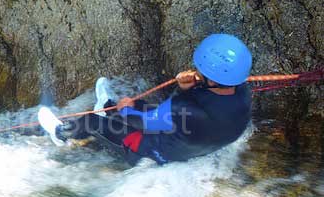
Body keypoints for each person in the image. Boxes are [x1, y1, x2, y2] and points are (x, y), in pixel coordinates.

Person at [38, 33, 253, 165]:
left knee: (93, 122)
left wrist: (123, 110)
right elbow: (185, 110)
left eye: (201, 70)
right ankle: (106, 106)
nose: (196, 70)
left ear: (213, 78)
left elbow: (143, 121)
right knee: (142, 107)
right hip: (194, 145)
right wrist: (189, 89)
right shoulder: (243, 94)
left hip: (153, 152)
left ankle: (61, 133)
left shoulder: (182, 109)